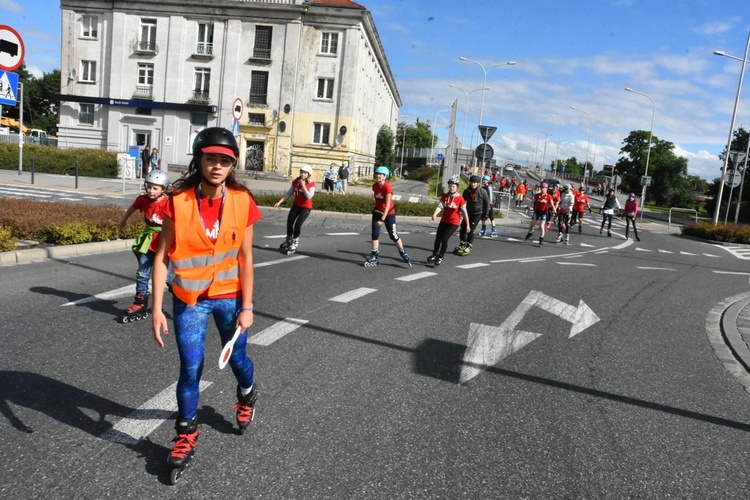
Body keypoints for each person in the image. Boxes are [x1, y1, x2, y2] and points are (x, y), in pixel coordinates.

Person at [150, 127, 261, 470]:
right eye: (210, 158)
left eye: (224, 161)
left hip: (230, 298)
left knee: (238, 359)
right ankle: (185, 433)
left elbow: (245, 258)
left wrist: (247, 306)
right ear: (199, 159)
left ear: (232, 165)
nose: (217, 166)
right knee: (191, 367)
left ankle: (247, 394)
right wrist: (156, 308)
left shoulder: (243, 201)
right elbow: (161, 257)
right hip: (190, 300)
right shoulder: (177, 201)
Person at [119, 169, 172, 321]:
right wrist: (124, 220)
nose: (151, 190)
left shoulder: (168, 203)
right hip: (147, 241)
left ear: (163, 189)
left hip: (163, 241)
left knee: (167, 278)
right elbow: (132, 208)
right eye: (148, 186)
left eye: (155, 188)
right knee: (142, 272)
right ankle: (140, 302)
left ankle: (183, 299)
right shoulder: (142, 199)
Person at [365, 166, 411, 267]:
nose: (378, 176)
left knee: (393, 235)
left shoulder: (387, 187)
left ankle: (402, 252)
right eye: (377, 174)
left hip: (389, 213)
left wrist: (382, 219)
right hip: (377, 211)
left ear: (385, 176)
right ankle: (374, 254)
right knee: (375, 234)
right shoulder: (374, 186)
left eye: (381, 174)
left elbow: (387, 205)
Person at [273, 165, 316, 253]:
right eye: (301, 172)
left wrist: (303, 186)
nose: (302, 175)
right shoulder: (295, 182)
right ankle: (288, 240)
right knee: (289, 222)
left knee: (297, 225)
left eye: (305, 173)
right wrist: (279, 202)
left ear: (308, 174)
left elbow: (309, 196)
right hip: (296, 205)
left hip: (306, 207)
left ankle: (295, 243)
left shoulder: (312, 184)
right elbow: (289, 193)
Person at [429, 176, 469, 266]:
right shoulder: (445, 196)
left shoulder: (460, 199)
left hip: (454, 222)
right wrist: (435, 214)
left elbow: (465, 212)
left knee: (444, 238)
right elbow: (440, 206)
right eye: (450, 186)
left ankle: (441, 256)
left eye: (453, 186)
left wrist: (467, 225)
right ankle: (434, 254)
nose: (451, 188)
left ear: (457, 187)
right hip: (444, 220)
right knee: (438, 238)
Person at [455, 175, 489, 256]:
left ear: (478, 183)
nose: (473, 184)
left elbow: (487, 203)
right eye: (471, 182)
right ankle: (462, 244)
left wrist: (486, 214)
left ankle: (469, 245)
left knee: (470, 229)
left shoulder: (482, 191)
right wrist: (460, 212)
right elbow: (462, 202)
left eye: (475, 183)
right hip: (468, 213)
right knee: (463, 228)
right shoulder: (466, 191)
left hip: (477, 214)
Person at [525, 182, 554, 246]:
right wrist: (527, 207)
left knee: (541, 226)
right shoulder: (537, 195)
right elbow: (532, 202)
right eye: (541, 188)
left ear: (546, 189)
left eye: (544, 188)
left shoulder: (549, 196)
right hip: (537, 211)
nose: (542, 189)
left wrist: (555, 212)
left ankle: (541, 239)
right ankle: (530, 232)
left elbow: (552, 205)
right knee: (531, 225)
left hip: (544, 212)